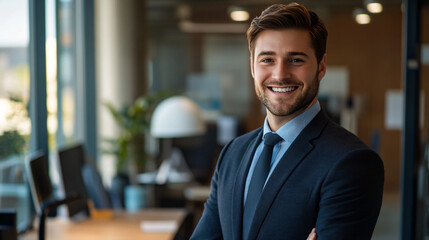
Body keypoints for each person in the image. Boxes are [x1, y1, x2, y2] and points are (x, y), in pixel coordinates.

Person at [190, 3, 384, 240]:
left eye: (295, 60)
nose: (280, 74)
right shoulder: (233, 153)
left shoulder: (351, 162)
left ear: (321, 67)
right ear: (252, 65)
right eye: (267, 60)